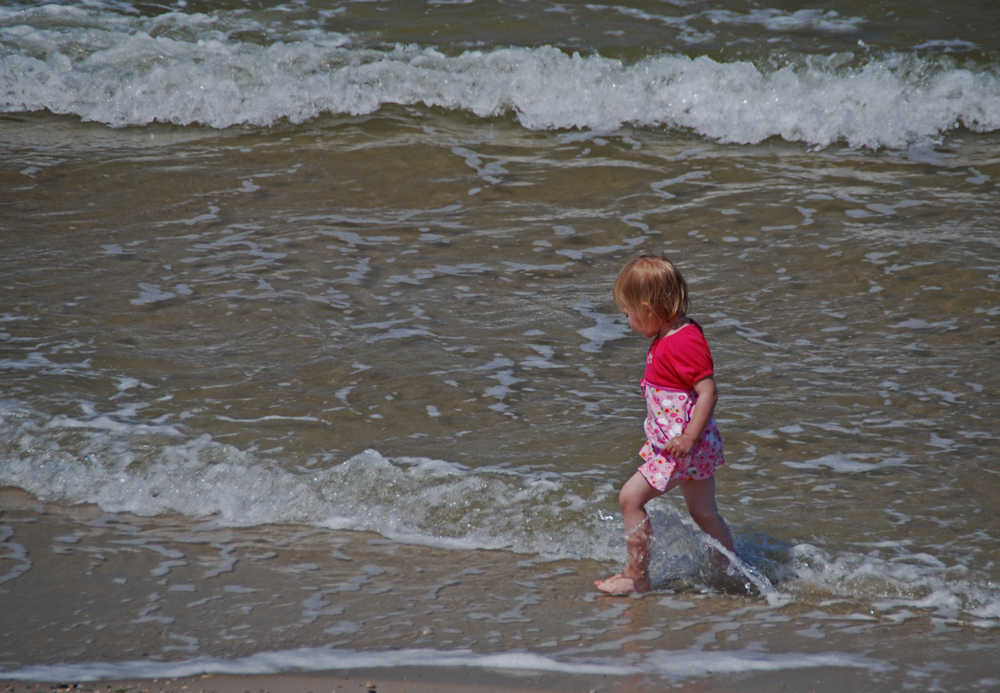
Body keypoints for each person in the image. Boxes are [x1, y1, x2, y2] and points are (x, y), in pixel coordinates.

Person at [595, 251, 734, 595]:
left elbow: (708, 392)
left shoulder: (682, 342)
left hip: (679, 448)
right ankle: (729, 571)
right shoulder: (673, 334)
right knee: (704, 513)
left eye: (628, 314)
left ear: (647, 307)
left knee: (630, 499)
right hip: (688, 446)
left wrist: (687, 438)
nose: (627, 321)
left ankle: (636, 575)